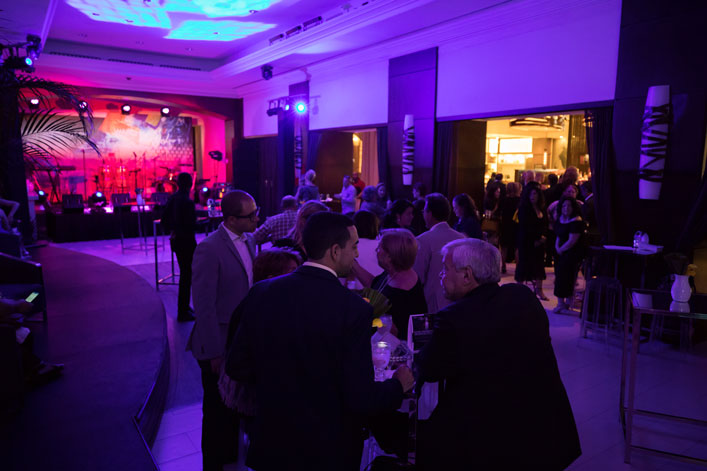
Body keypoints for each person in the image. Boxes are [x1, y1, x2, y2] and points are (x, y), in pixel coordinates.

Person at [226, 212, 414, 471]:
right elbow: (361, 398)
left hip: (272, 441)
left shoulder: (262, 291)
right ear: (335, 251)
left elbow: (236, 366)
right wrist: (398, 385)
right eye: (354, 246)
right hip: (326, 450)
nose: (357, 254)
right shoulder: (353, 309)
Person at [415, 239, 581, 470]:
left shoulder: (454, 317)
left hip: (491, 441)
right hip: (547, 430)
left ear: (467, 275)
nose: (441, 276)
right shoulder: (523, 296)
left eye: (445, 269)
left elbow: (428, 368)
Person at [188, 190, 258, 471]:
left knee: (234, 405)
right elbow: (203, 305)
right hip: (217, 341)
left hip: (240, 338)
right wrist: (214, 351)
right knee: (216, 412)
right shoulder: (209, 248)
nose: (256, 219)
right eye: (251, 215)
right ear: (230, 220)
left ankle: (231, 460)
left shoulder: (250, 240)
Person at [352, 229, 427, 340]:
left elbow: (391, 333)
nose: (376, 250)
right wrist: (353, 264)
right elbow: (375, 285)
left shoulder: (400, 290)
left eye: (379, 248)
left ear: (389, 257)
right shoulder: (396, 272)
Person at [413, 193, 465, 313]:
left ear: (429, 214)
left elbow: (418, 277)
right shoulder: (461, 238)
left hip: (432, 305)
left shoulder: (423, 240)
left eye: (424, 211)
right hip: (459, 302)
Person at [161, 172, 196, 322]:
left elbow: (164, 221)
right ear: (190, 184)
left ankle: (185, 307)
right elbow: (191, 226)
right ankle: (183, 311)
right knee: (187, 276)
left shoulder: (173, 198)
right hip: (186, 242)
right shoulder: (187, 202)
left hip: (176, 240)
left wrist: (174, 229)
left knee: (185, 274)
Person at [515, 184, 549, 300]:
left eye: (535, 194)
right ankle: (518, 290)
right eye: (530, 194)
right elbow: (525, 226)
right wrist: (537, 238)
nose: (533, 196)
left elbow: (545, 224)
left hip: (540, 242)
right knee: (524, 264)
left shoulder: (542, 208)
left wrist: (543, 237)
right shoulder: (524, 209)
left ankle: (539, 290)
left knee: (539, 266)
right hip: (527, 241)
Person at [553, 197, 586, 313]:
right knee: (560, 277)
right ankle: (562, 303)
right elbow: (558, 235)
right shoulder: (560, 219)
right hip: (560, 252)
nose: (566, 208)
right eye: (564, 206)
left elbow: (572, 241)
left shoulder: (576, 221)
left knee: (566, 277)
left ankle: (563, 303)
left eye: (569, 206)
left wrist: (561, 249)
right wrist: (557, 248)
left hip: (571, 254)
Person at [352, 210, 384, 282]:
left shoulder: (348, 247)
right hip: (379, 287)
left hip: (353, 287)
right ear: (375, 226)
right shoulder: (382, 247)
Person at [499, 181, 521, 274]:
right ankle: (518, 267)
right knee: (517, 247)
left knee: (504, 247)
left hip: (505, 225)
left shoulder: (503, 200)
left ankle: (503, 266)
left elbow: (499, 212)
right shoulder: (520, 200)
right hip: (516, 225)